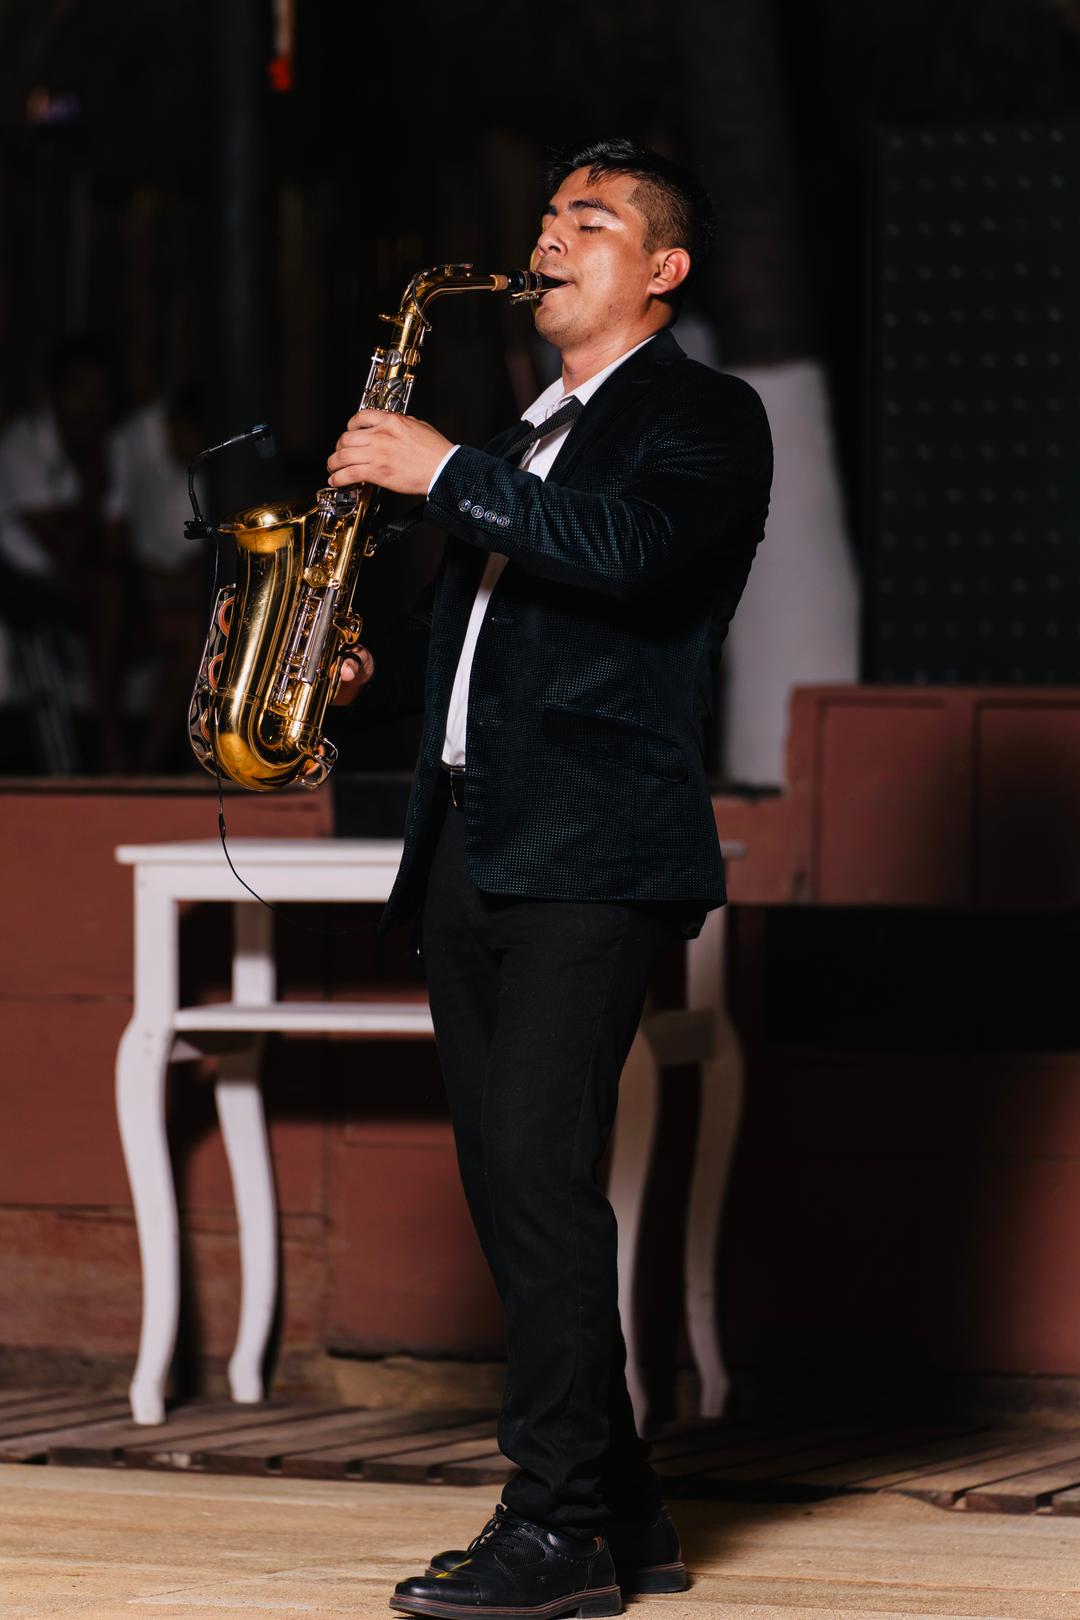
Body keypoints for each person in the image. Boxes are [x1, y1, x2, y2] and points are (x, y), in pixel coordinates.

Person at [327, 138, 773, 1620]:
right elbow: (486, 649)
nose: (550, 235)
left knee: (535, 1172)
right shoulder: (524, 435)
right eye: (545, 215)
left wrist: (437, 469)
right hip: (469, 842)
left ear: (663, 270)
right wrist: (363, 670)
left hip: (595, 846)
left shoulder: (708, 417)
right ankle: (626, 1511)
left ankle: (556, 1525)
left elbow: (633, 557)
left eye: (592, 219)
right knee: (510, 1185)